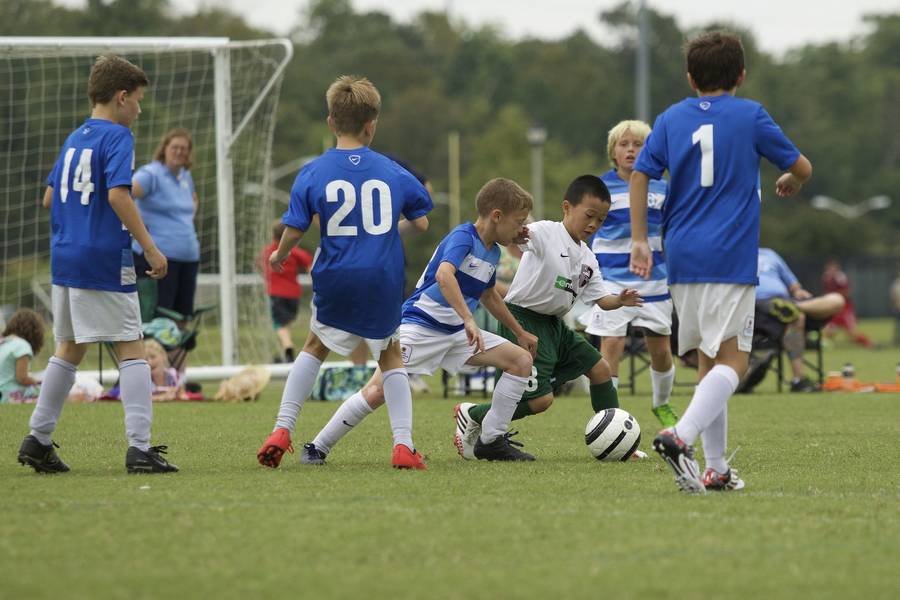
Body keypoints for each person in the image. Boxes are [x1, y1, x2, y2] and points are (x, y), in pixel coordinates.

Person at [630, 31, 812, 493]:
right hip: (729, 254)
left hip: (683, 254)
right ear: (742, 75)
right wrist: (790, 178)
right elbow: (803, 166)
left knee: (710, 361)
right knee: (736, 361)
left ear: (691, 78)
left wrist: (639, 240)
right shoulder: (750, 115)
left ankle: (717, 470)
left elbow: (640, 174)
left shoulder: (670, 118)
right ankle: (679, 436)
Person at [256, 75, 433, 470]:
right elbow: (421, 221)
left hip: (336, 275)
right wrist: (391, 227)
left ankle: (282, 429)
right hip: (381, 278)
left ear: (330, 121)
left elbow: (296, 228)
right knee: (390, 357)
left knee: (315, 347)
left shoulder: (313, 172)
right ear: (372, 125)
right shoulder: (393, 172)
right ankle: (403, 445)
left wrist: (280, 255)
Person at [297, 178, 539, 464]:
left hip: (458, 334)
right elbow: (443, 276)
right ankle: (316, 447)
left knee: (521, 361)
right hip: (420, 326)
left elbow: (488, 294)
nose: (521, 228)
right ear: (496, 216)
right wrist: (469, 320)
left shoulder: (493, 251)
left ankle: (491, 440)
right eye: (518, 221)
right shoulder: (463, 237)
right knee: (377, 390)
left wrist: (519, 332)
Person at [17, 54, 178, 474]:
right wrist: (151, 249)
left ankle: (38, 438)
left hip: (66, 256)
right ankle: (140, 448)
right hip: (103, 258)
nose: (139, 109)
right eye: (138, 100)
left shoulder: (75, 138)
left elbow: (50, 198)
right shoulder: (117, 137)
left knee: (70, 349)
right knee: (133, 348)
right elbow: (118, 195)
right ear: (121, 97)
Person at [454, 175, 644, 460]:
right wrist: (519, 234)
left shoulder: (589, 260)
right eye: (589, 215)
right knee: (541, 401)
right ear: (567, 207)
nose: (593, 224)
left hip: (556, 327)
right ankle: (473, 414)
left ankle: (619, 443)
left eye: (601, 220)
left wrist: (619, 300)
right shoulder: (546, 232)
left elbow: (601, 300)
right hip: (524, 320)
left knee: (601, 369)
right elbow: (523, 235)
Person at [581, 119, 678, 427]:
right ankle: (610, 418)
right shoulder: (601, 187)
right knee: (612, 345)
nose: (631, 150)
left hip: (655, 280)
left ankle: (661, 403)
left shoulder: (663, 187)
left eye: (638, 144)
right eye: (624, 144)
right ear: (613, 151)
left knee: (661, 349)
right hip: (611, 279)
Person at [132, 127, 201, 327]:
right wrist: (138, 228)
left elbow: (192, 201)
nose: (179, 152)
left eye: (184, 148)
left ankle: (178, 359)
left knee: (182, 317)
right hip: (159, 259)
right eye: (175, 147)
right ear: (165, 148)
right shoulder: (151, 174)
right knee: (158, 320)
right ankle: (156, 358)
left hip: (188, 257)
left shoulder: (185, 176)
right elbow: (124, 196)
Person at [756, 247, 845, 392]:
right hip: (758, 306)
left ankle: (793, 307)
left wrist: (797, 292)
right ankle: (799, 379)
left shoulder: (770, 254)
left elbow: (794, 285)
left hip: (788, 301)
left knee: (837, 300)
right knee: (796, 318)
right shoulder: (734, 253)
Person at [259, 219, 313, 363]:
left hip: (276, 293)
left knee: (280, 325)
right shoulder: (295, 252)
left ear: (273, 236)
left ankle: (288, 349)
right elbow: (310, 264)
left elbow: (260, 265)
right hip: (294, 294)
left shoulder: (268, 251)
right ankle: (285, 352)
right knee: (286, 323)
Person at [821, 259, 874, 348]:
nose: (830, 270)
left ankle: (870, 343)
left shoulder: (840, 277)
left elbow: (846, 291)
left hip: (844, 308)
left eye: (832, 268)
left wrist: (835, 296)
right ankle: (820, 346)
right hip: (834, 307)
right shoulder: (826, 277)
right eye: (829, 268)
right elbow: (826, 291)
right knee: (828, 331)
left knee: (852, 334)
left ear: (837, 268)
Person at [0, 309, 45, 404]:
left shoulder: (3, 342)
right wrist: (36, 382)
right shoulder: (22, 346)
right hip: (9, 395)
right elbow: (22, 378)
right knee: (46, 394)